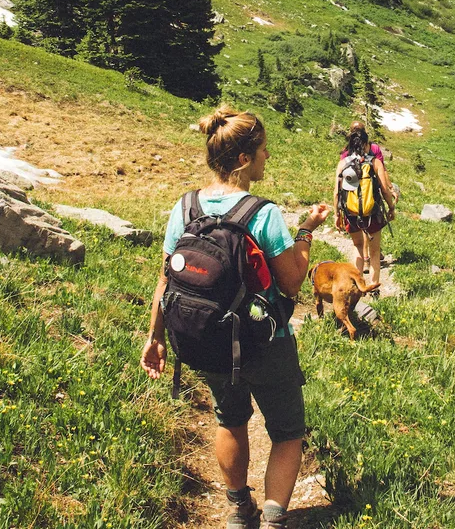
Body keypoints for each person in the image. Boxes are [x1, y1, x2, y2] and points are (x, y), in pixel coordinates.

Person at [141, 107, 330, 529]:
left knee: (230, 421)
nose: (267, 157)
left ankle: (239, 510)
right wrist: (305, 232)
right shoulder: (261, 213)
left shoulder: (185, 207)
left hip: (209, 340)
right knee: (287, 432)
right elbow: (292, 283)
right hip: (266, 342)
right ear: (244, 159)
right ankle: (274, 520)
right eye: (263, 151)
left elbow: (166, 278)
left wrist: (155, 336)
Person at [334, 124, 395, 287]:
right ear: (367, 145)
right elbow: (384, 190)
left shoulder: (343, 163)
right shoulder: (375, 162)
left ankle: (357, 286)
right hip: (372, 212)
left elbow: (337, 192)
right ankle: (374, 287)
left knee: (358, 246)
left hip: (351, 213)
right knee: (374, 252)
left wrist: (337, 215)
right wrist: (391, 208)